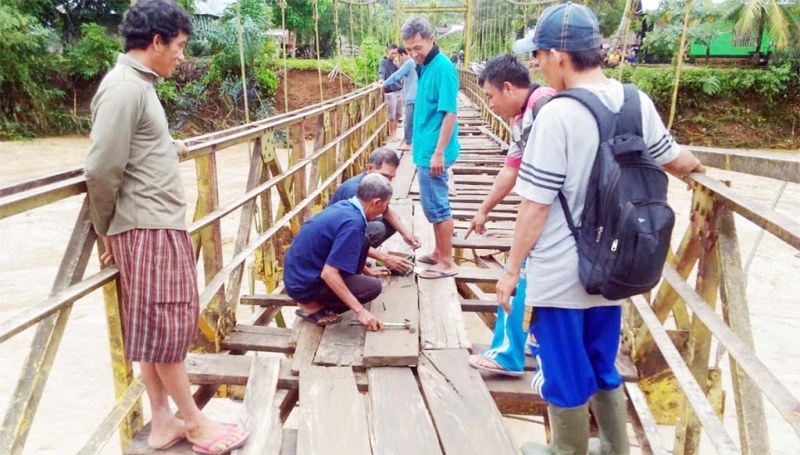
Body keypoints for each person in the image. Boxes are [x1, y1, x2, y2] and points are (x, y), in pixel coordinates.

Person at [495, 4, 705, 454]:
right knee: (601, 359)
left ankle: (566, 449)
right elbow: (676, 159)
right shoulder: (636, 101)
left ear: (560, 56)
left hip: (563, 275)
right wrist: (705, 175)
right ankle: (614, 446)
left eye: (540, 57)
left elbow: (534, 206)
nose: (539, 66)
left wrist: (512, 270)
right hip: (616, 267)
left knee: (562, 367)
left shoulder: (556, 115)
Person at [84, 1, 250, 453]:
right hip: (149, 229)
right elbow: (100, 170)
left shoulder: (138, 85)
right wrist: (106, 231)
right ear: (156, 41)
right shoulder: (124, 89)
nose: (181, 55)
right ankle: (194, 423)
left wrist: (168, 146)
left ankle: (163, 421)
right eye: (178, 46)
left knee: (154, 329)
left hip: (148, 224)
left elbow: (134, 144)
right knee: (172, 327)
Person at [465, 54, 555, 378]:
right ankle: (535, 340)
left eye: (490, 96)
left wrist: (514, 265)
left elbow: (538, 194)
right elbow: (510, 170)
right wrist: (483, 210)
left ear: (507, 87)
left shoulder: (543, 110)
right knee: (531, 276)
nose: (488, 104)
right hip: (558, 216)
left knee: (514, 279)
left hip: (553, 216)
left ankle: (507, 354)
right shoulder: (525, 117)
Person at [284, 174, 395, 331]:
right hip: (303, 284)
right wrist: (360, 311)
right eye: (385, 205)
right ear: (376, 202)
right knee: (373, 287)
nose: (384, 210)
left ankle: (323, 294)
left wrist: (367, 270)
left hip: (298, 271)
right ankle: (312, 307)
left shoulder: (346, 206)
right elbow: (329, 274)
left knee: (363, 240)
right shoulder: (353, 223)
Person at [401, 17, 460, 279]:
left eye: (417, 47)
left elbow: (450, 113)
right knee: (430, 204)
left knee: (438, 206)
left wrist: (438, 152)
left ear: (430, 40)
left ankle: (447, 262)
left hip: (435, 152)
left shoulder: (443, 68)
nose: (413, 54)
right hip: (425, 149)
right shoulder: (424, 66)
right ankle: (439, 252)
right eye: (409, 49)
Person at [329, 148, 420, 273]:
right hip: (336, 236)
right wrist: (385, 258)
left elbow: (386, 211)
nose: (387, 181)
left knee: (392, 222)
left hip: (352, 227)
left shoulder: (377, 185)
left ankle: (359, 257)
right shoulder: (355, 189)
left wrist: (406, 234)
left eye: (391, 178)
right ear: (369, 168)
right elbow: (351, 232)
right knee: (377, 228)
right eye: (384, 175)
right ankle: (353, 258)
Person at [382, 47, 417, 152]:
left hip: (412, 96)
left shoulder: (409, 62)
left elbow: (397, 75)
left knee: (408, 121)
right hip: (418, 96)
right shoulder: (416, 61)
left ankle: (408, 143)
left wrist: (384, 83)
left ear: (402, 54)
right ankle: (414, 141)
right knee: (415, 120)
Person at [378, 44, 403, 142]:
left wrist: (398, 66)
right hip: (390, 92)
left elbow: (401, 74)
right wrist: (381, 79)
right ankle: (391, 135)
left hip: (398, 90)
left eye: (395, 53)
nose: (394, 55)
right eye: (392, 53)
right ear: (387, 52)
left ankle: (395, 134)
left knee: (397, 114)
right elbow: (381, 71)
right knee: (391, 115)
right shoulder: (383, 62)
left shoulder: (395, 63)